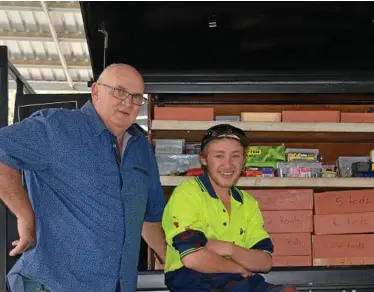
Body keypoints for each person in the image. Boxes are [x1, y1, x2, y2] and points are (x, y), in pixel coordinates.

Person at [1, 63, 167, 292]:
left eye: (137, 97)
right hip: (54, 284)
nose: (128, 102)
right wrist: (24, 216)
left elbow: (148, 219)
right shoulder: (56, 127)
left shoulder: (141, 148)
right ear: (96, 91)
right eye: (119, 91)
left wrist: (173, 263)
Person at [162, 124, 296, 292]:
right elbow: (193, 258)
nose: (228, 165)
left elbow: (264, 261)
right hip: (192, 279)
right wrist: (239, 267)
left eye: (235, 156)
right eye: (219, 156)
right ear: (203, 159)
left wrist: (229, 249)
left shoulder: (248, 203)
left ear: (244, 160)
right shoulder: (187, 194)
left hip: (239, 283)